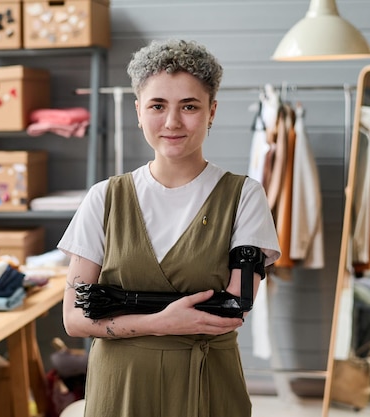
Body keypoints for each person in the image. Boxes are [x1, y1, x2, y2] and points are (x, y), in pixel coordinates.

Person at [57, 39, 281, 417]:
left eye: (189, 106)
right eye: (157, 106)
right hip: (121, 387)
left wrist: (116, 303)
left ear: (212, 111)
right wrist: (161, 322)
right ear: (138, 112)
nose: (173, 122)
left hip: (207, 381)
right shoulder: (104, 199)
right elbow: (75, 318)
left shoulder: (243, 196)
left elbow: (233, 307)